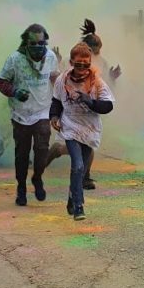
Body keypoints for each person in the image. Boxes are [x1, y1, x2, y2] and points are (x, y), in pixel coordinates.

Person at [46, 18, 119, 189]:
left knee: (88, 143)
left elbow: (105, 87)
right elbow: (59, 83)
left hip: (91, 109)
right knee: (75, 144)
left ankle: (85, 176)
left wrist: (113, 77)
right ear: (88, 49)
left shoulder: (101, 62)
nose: (98, 55)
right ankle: (58, 151)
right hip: (71, 109)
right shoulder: (71, 60)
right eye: (96, 51)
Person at [0, 23, 61, 205]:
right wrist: (14, 91)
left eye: (42, 43)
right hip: (20, 115)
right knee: (21, 155)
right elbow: (1, 81)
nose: (39, 47)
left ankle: (37, 177)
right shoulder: (14, 59)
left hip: (42, 112)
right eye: (34, 43)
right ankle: (21, 188)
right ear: (26, 43)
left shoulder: (50, 57)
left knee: (41, 151)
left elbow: (55, 78)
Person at [50, 42, 114, 221]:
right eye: (78, 64)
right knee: (77, 165)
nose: (82, 68)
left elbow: (108, 106)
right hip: (69, 126)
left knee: (82, 168)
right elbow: (56, 101)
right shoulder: (63, 80)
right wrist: (54, 117)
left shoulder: (97, 82)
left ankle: (71, 197)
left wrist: (91, 102)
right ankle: (79, 206)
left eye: (86, 64)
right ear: (71, 62)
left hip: (90, 129)